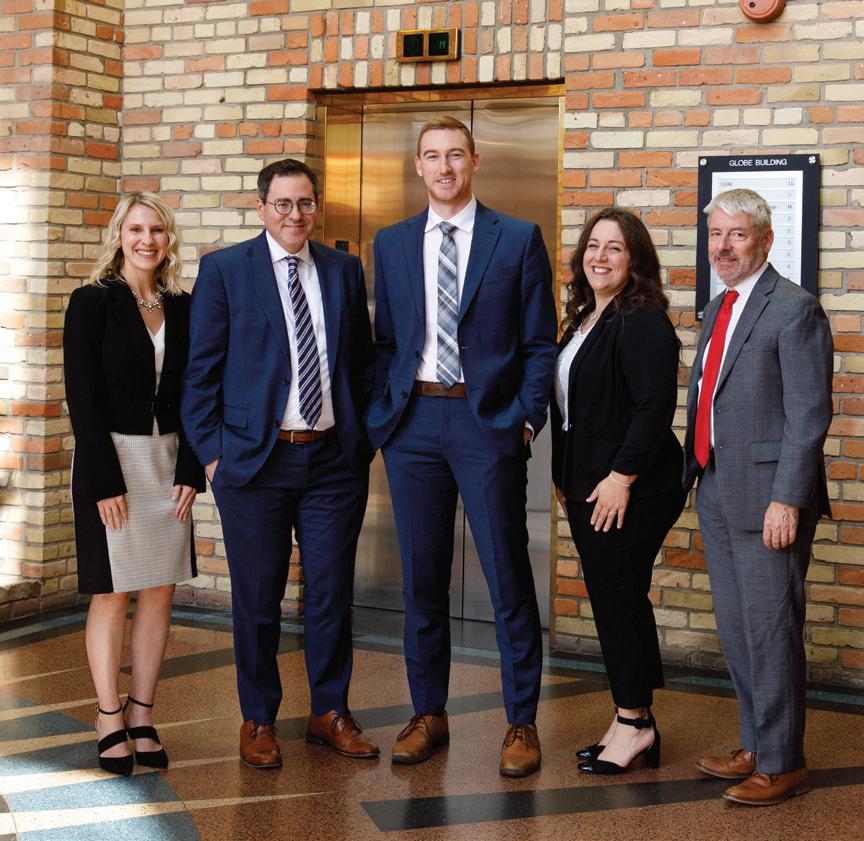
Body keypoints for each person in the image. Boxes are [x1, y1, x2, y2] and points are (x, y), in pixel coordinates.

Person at [367, 116, 557, 777]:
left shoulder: (517, 238)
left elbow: (540, 342)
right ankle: (428, 713)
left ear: (475, 161)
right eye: (432, 156)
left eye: (455, 154)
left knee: (507, 576)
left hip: (487, 425)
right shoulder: (391, 242)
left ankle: (521, 720)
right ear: (418, 166)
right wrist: (384, 415)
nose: (444, 167)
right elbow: (385, 342)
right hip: (414, 425)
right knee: (422, 579)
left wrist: (525, 419)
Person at [182, 159, 377, 770]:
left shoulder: (344, 270)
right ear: (262, 207)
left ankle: (329, 711)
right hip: (254, 465)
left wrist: (362, 441)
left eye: (306, 203)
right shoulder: (225, 270)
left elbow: (362, 364)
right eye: (284, 204)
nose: (296, 215)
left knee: (331, 594)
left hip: (333, 462)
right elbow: (199, 373)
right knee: (258, 598)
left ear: (317, 207)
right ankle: (258, 718)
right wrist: (214, 457)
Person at [684, 188, 833, 805]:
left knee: (771, 632)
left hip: (769, 497)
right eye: (716, 234)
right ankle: (754, 744)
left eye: (737, 234)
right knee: (740, 629)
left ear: (766, 240)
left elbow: (809, 414)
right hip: (717, 485)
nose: (723, 247)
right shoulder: (719, 306)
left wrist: (787, 499)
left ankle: (782, 762)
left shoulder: (794, 309)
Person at [64, 192, 204, 775]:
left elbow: (199, 391)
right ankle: (107, 715)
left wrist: (192, 467)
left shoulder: (184, 306)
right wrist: (104, 480)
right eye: (137, 229)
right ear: (119, 234)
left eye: (158, 231)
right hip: (112, 461)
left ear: (169, 239)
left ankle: (142, 712)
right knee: (112, 592)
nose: (148, 240)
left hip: (168, 460)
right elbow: (82, 397)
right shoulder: (91, 302)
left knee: (160, 589)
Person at [551, 207, 685, 776]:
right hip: (590, 482)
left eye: (614, 248)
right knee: (616, 596)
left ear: (635, 261)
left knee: (618, 598)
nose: (600, 257)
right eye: (593, 246)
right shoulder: (586, 317)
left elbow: (654, 405)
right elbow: (572, 412)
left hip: (632, 485)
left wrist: (621, 477)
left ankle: (635, 723)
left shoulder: (642, 319)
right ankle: (631, 718)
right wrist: (564, 476)